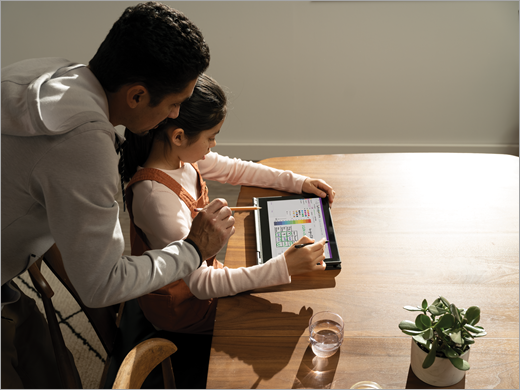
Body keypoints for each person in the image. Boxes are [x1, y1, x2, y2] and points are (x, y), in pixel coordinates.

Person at [1, 2, 234, 388]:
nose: (177, 115)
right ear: (138, 96)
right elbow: (103, 284)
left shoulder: (48, 73)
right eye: (175, 103)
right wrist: (193, 248)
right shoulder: (83, 146)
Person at [121, 73, 336, 386]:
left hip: (203, 274)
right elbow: (200, 285)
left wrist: (298, 182)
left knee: (284, 296)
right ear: (179, 136)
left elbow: (237, 169)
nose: (214, 145)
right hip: (182, 308)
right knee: (281, 327)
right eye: (211, 137)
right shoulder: (156, 200)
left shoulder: (180, 158)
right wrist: (282, 267)